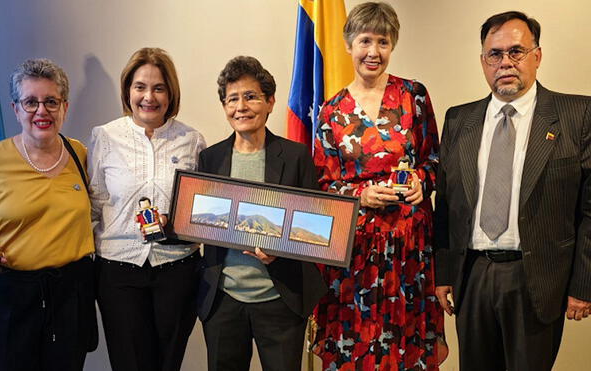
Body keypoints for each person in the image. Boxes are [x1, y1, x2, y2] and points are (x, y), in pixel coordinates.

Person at [434, 10, 591, 371]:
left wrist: (584, 284)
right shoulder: (459, 119)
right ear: (483, 61)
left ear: (537, 56)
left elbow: (590, 210)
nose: (505, 62)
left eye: (516, 52)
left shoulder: (576, 115)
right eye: (495, 54)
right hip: (472, 274)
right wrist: (443, 275)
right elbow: (445, 203)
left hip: (536, 278)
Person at [311, 2, 445, 370]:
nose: (374, 52)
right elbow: (323, 186)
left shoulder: (413, 96)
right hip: (355, 254)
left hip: (410, 249)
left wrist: (422, 181)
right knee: (357, 351)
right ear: (349, 44)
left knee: (407, 350)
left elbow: (435, 161)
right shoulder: (330, 111)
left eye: (383, 42)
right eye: (365, 41)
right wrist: (361, 195)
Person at [0, 58, 97, 371]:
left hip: (70, 295)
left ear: (65, 107)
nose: (41, 111)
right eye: (30, 102)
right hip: (9, 298)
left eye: (51, 101)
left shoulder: (81, 155)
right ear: (16, 109)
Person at [196, 55, 327, 371]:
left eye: (251, 97)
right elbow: (202, 221)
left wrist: (280, 251)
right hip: (223, 299)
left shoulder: (296, 157)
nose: (241, 107)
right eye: (232, 99)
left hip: (279, 298)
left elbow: (315, 229)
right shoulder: (209, 159)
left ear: (270, 102)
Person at [88, 47, 206, 371]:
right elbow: (94, 204)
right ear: (128, 89)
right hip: (119, 271)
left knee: (168, 364)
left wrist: (176, 223)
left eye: (158, 88)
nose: (148, 97)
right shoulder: (105, 136)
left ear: (171, 93)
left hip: (177, 269)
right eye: (140, 86)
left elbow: (201, 212)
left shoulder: (192, 141)